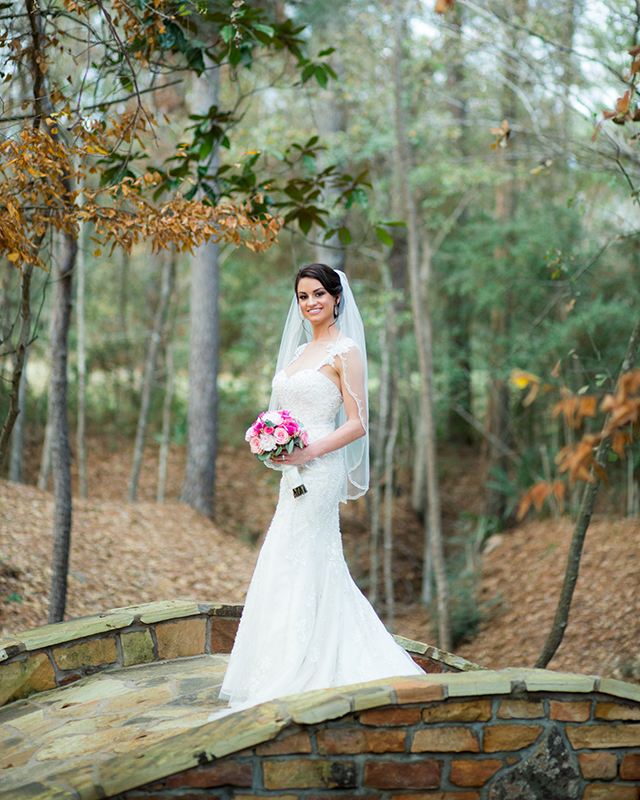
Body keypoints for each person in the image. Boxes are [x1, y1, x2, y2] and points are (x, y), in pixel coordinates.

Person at [218, 264, 424, 712]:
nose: (310, 302)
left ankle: (305, 664)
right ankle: (282, 660)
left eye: (318, 294)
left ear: (335, 298)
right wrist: (269, 440)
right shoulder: (296, 352)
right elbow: (282, 409)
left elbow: (357, 423)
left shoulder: (345, 351)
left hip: (321, 466)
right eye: (302, 296)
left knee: (302, 552)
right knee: (284, 555)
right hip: (291, 472)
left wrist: (308, 451)